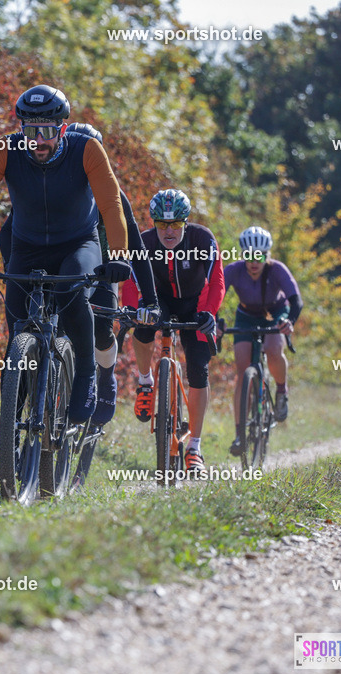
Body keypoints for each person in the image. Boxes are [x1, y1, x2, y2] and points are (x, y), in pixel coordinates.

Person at [0, 84, 133, 431]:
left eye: (47, 131)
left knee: (70, 292)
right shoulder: (6, 151)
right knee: (17, 334)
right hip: (26, 248)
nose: (38, 141)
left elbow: (110, 204)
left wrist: (118, 255)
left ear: (62, 129)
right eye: (30, 132)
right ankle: (10, 439)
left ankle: (87, 375)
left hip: (78, 244)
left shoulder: (86, 149)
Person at [0, 122, 160, 426]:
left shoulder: (112, 193)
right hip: (53, 266)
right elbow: (11, 230)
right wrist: (12, 271)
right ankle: (12, 434)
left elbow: (137, 249)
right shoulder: (49, 186)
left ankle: (104, 377)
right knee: (24, 335)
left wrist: (150, 300)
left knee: (99, 327)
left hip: (100, 272)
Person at [123, 189, 224, 472]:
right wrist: (132, 309)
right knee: (142, 327)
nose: (169, 231)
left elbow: (216, 281)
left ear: (186, 222)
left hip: (196, 304)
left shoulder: (203, 239)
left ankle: (195, 448)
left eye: (176, 224)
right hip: (160, 300)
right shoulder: (142, 242)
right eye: (162, 224)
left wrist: (209, 313)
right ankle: (145, 382)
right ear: (154, 222)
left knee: (199, 371)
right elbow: (131, 283)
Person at [224, 226, 303, 455]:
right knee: (242, 369)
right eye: (248, 256)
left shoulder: (277, 270)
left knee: (273, 347)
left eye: (258, 256)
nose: (253, 262)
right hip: (246, 315)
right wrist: (215, 320)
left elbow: (296, 301)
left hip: (276, 313)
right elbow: (215, 294)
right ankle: (240, 434)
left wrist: (290, 321)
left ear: (266, 255)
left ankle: (281, 390)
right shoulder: (234, 270)